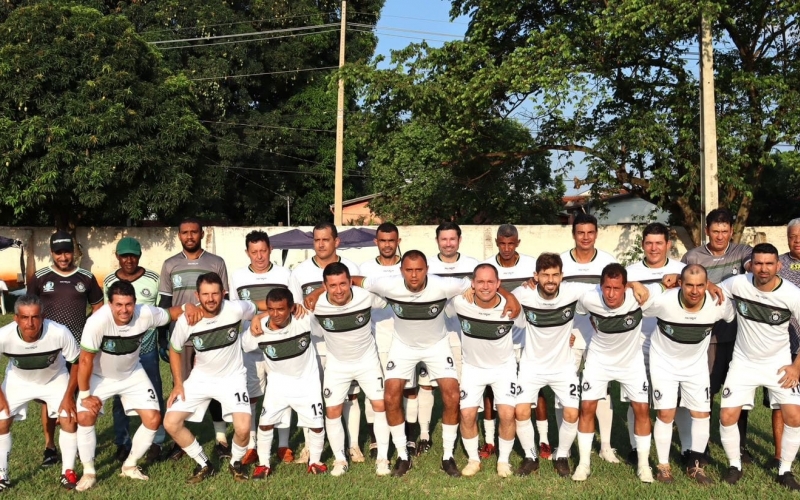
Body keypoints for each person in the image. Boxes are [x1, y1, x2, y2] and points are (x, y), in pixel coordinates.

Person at [307, 251, 520, 477]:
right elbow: (355, 280)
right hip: (403, 346)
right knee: (390, 396)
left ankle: (447, 455)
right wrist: (320, 291)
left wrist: (510, 296)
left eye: (419, 269)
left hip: (437, 345)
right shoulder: (389, 285)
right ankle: (402, 455)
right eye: (409, 270)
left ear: (427, 268)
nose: (414, 275)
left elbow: (481, 283)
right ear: (401, 271)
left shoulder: (443, 285)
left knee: (452, 395)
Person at [75, 281, 190, 491]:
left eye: (128, 304)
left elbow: (170, 313)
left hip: (132, 373)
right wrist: (84, 395)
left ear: (135, 303)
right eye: (118, 304)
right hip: (101, 377)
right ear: (110, 304)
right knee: (85, 416)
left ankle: (129, 465)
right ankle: (89, 471)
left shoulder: (144, 314)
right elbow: (84, 360)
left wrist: (185, 308)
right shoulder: (97, 321)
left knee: (154, 419)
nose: (124, 310)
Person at [716, 243, 800, 490]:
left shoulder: (792, 294)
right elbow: (713, 289)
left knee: (794, 416)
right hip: (743, 362)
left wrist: (796, 367)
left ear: (779, 266)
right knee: (727, 415)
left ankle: (785, 470)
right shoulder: (738, 283)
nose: (763, 269)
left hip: (779, 364)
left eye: (769, 264)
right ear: (751, 264)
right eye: (759, 263)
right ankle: (734, 465)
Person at [163, 273, 260, 484]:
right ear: (197, 295)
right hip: (200, 379)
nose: (210, 299)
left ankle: (236, 463)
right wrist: (179, 384)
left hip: (232, 378)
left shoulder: (235, 309)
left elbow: (255, 308)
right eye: (205, 294)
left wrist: (259, 317)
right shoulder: (188, 319)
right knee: (171, 422)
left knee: (243, 428)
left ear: (223, 293)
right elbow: (174, 348)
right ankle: (203, 463)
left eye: (215, 293)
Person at [511, 253, 597, 478]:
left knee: (571, 413)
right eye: (545, 275)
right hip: (531, 366)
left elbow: (607, 286)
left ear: (562, 276)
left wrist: (635, 284)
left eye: (555, 275)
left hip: (563, 367)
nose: (550, 280)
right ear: (536, 276)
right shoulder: (523, 293)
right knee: (520, 411)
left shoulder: (572, 291)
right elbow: (500, 300)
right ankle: (531, 457)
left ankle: (562, 455)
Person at [648, 264, 733, 484]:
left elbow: (733, 313)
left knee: (702, 414)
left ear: (707, 285)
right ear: (680, 283)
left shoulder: (717, 303)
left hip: (696, 366)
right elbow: (639, 299)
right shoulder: (664, 300)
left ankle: (695, 466)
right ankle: (663, 466)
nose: (694, 291)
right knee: (666, 414)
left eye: (700, 285)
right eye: (689, 285)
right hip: (663, 364)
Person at [572, 264, 655, 483]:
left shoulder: (638, 297)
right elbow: (580, 312)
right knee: (587, 407)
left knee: (642, 409)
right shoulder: (589, 298)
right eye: (606, 287)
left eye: (616, 288)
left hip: (631, 362)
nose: (610, 293)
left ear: (625, 287)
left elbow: (674, 285)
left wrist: (636, 284)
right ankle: (583, 464)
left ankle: (644, 465)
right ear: (600, 286)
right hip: (599, 360)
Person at [681, 208, 752, 461]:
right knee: (706, 391)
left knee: (739, 391)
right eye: (715, 231)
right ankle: (704, 445)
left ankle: (741, 447)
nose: (720, 236)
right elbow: (682, 285)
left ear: (731, 231)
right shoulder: (693, 256)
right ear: (707, 231)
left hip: (738, 336)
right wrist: (707, 283)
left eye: (725, 231)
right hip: (706, 338)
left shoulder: (743, 252)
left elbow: (752, 267)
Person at [27, 230, 103, 468]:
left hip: (79, 350)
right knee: (48, 400)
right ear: (51, 253)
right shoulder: (40, 277)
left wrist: (90, 330)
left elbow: (99, 308)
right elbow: (30, 309)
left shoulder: (86, 278)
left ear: (74, 252)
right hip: (49, 350)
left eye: (67, 251)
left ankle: (81, 442)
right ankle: (50, 446)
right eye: (58, 252)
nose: (63, 257)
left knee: (81, 396)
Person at [158, 218, 230, 461]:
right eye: (185, 232)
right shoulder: (170, 265)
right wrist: (162, 336)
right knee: (182, 388)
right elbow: (165, 303)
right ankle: (180, 442)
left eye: (194, 232)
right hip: (182, 339)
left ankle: (221, 439)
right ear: (179, 235)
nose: (189, 236)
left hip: (212, 336)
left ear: (202, 234)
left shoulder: (216, 262)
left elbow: (225, 300)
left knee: (217, 389)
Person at [289, 222, 361, 464]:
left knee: (350, 396)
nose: (320, 244)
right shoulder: (299, 272)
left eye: (325, 240)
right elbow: (296, 310)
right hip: (313, 344)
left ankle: (353, 446)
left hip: (344, 342)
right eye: (316, 240)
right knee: (312, 395)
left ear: (336, 242)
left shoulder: (351, 268)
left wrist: (319, 291)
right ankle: (310, 446)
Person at [312, 263, 391, 476]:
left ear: (350, 282)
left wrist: (360, 280)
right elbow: (295, 313)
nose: (339, 290)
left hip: (367, 361)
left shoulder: (365, 296)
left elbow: (385, 293)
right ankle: (340, 459)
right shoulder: (316, 304)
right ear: (324, 286)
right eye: (333, 285)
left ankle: (383, 458)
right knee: (333, 411)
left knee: (380, 405)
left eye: (343, 284)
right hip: (337, 365)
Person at [241, 288, 327, 478]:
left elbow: (324, 315)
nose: (275, 314)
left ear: (291, 308)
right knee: (265, 424)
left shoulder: (303, 319)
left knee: (317, 425)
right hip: (278, 384)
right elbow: (245, 346)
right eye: (270, 309)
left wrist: (305, 304)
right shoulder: (259, 326)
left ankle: (315, 461)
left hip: (307, 383)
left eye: (281, 309)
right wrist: (258, 319)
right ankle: (264, 464)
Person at [482, 225, 551, 459]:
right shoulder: (487, 266)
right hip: (496, 338)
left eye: (511, 243)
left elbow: (547, 290)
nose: (507, 248)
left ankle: (543, 440)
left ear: (518, 243)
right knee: (491, 389)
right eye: (502, 243)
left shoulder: (531, 266)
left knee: (535, 388)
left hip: (524, 337)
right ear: (497, 242)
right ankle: (490, 441)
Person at [0, 295, 80, 491]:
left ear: (43, 316)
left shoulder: (59, 332)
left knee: (69, 417)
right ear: (16, 318)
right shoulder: (3, 335)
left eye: (35, 317)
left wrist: (69, 396)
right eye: (25, 317)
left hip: (55, 378)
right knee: (1, 419)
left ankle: (67, 472)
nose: (30, 323)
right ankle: (2, 475)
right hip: (19, 380)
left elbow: (77, 362)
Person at [228, 230, 293, 466]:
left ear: (270, 250)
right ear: (247, 253)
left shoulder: (285, 274)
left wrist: (263, 315)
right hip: (250, 347)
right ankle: (252, 446)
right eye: (254, 252)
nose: (259, 257)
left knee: (282, 394)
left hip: (280, 344)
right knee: (252, 398)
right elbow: (236, 310)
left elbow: (292, 306)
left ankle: (283, 444)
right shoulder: (236, 277)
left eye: (263, 251)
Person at [624, 222, 685, 465]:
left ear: (668, 245)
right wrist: (630, 284)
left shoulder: (683, 270)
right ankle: (634, 447)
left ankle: (685, 449)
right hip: (638, 343)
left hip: (672, 345)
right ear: (642, 245)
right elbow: (615, 289)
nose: (654, 248)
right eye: (649, 243)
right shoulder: (630, 271)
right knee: (637, 400)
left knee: (676, 401)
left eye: (659, 243)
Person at [559, 214, 619, 462]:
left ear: (596, 233)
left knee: (602, 389)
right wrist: (563, 331)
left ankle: (605, 445)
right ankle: (565, 445)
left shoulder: (607, 261)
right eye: (580, 232)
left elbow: (617, 295)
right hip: (569, 334)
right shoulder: (562, 262)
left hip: (598, 334)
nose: (585, 237)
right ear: (574, 234)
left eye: (590, 232)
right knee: (564, 388)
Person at [103, 237, 165, 464]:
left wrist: (163, 342)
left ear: (139, 256)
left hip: (146, 349)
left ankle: (157, 441)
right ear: (117, 256)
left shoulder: (153, 279)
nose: (129, 260)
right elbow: (106, 314)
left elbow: (160, 315)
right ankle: (122, 441)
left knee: (155, 394)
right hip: (119, 351)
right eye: (124, 255)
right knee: (120, 398)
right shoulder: (110, 280)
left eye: (133, 255)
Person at [454, 264, 519, 478]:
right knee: (467, 414)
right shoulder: (460, 302)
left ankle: (503, 461)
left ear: (499, 284)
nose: (485, 286)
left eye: (491, 282)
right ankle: (474, 459)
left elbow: (534, 328)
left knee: (508, 414)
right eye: (480, 281)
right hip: (473, 368)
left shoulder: (511, 308)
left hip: (504, 368)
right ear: (472, 284)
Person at [358, 223, 405, 459]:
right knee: (374, 390)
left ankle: (407, 436)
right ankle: (375, 437)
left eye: (392, 240)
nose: (387, 245)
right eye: (383, 240)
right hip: (373, 337)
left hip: (404, 338)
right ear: (376, 242)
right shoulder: (365, 268)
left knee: (403, 390)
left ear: (398, 241)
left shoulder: (407, 267)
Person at [768, 218, 800, 468]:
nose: (797, 240)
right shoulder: (778, 264)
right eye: (793, 236)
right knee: (781, 401)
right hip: (782, 345)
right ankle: (779, 455)